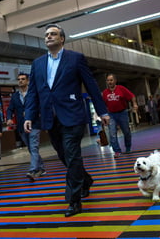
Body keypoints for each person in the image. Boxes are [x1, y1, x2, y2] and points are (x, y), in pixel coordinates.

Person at [24, 24, 109, 217]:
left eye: (53, 34)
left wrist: (102, 112)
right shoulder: (37, 64)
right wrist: (29, 115)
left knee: (72, 154)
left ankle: (74, 200)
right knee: (64, 156)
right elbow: (33, 93)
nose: (49, 37)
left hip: (73, 115)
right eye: (46, 35)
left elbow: (91, 86)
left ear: (62, 39)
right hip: (49, 118)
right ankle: (86, 180)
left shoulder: (75, 59)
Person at [7, 72, 46, 181]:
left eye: (23, 79)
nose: (20, 81)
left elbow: (41, 106)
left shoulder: (34, 93)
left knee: (33, 147)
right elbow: (10, 108)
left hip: (34, 124)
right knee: (31, 148)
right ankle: (41, 168)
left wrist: (33, 114)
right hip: (21, 126)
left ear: (28, 81)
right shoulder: (15, 96)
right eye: (19, 79)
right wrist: (9, 118)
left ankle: (33, 170)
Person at [102, 73, 138, 158]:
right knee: (112, 134)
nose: (109, 82)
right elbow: (102, 105)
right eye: (108, 80)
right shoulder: (105, 93)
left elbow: (132, 96)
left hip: (122, 113)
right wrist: (103, 116)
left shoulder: (121, 89)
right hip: (111, 115)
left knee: (126, 132)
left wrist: (134, 104)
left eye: (111, 80)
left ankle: (128, 147)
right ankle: (117, 151)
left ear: (115, 81)